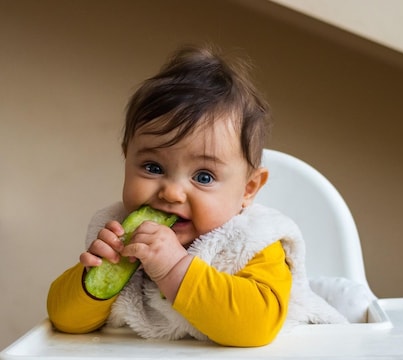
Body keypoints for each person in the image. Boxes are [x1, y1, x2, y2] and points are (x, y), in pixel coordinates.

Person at [46, 44, 347, 347]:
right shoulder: (120, 233)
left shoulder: (253, 242)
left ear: (248, 189)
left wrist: (174, 269)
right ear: (127, 159)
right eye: (153, 167)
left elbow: (257, 327)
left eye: (204, 177)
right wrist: (92, 279)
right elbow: (65, 321)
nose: (172, 192)